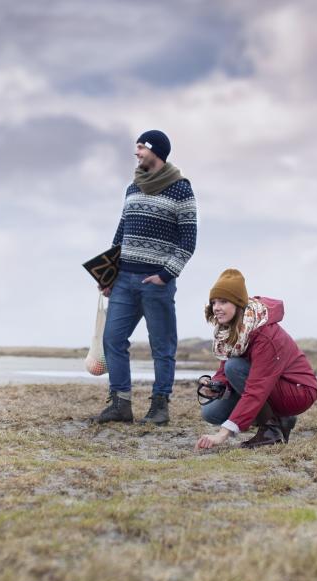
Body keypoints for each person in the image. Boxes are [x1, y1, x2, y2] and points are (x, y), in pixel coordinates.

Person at [95, 130, 197, 426]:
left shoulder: (181, 190)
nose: (137, 152)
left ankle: (160, 406)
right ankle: (120, 404)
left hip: (156, 283)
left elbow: (188, 241)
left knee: (162, 347)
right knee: (112, 338)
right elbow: (121, 232)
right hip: (124, 280)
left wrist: (166, 275)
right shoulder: (132, 187)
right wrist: (108, 273)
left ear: (156, 151)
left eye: (141, 147)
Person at [195, 269, 317, 449]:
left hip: (298, 391)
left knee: (234, 367)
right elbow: (225, 370)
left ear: (238, 303)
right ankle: (280, 418)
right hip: (271, 386)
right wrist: (215, 385)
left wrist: (223, 434)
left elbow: (256, 386)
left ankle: (271, 432)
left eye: (223, 301)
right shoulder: (234, 329)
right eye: (213, 302)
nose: (216, 308)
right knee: (211, 412)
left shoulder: (264, 334)